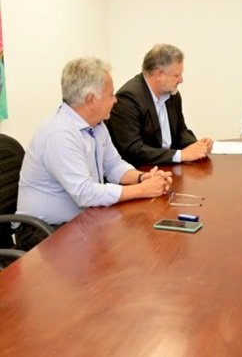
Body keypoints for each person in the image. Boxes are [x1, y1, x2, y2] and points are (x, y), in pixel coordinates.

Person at [16, 57, 172, 250]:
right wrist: (142, 190)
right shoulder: (59, 133)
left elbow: (113, 165)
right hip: (42, 232)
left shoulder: (96, 124)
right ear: (91, 99)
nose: (115, 100)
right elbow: (85, 193)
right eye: (111, 94)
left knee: (132, 240)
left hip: (81, 219)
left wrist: (143, 178)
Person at [107, 44, 212, 167]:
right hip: (142, 170)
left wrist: (197, 146)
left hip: (168, 166)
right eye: (177, 75)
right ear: (159, 74)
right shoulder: (128, 99)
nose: (181, 80)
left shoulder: (172, 94)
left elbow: (180, 132)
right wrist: (179, 155)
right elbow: (133, 150)